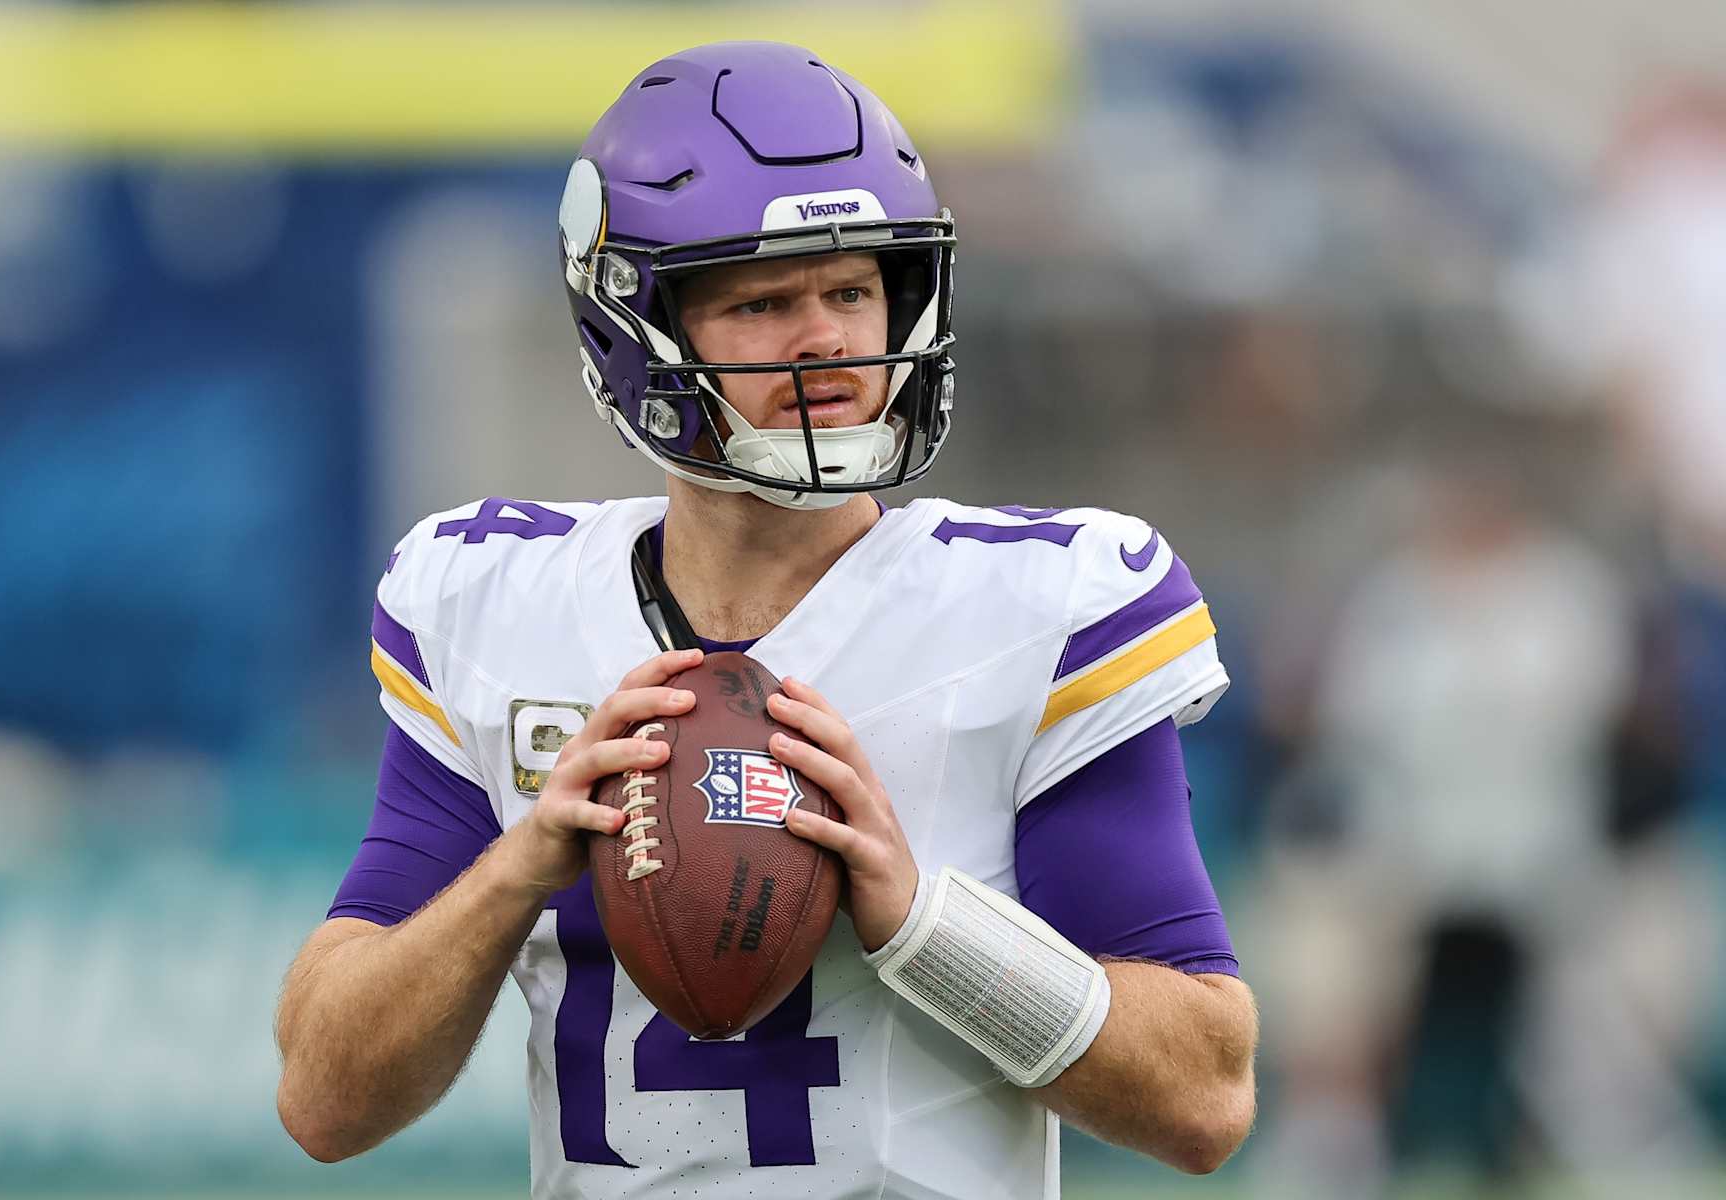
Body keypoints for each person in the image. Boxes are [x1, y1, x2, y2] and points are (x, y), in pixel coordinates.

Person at [274, 41, 1257, 1200]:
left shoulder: (1042, 610)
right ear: (630, 327)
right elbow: (325, 1098)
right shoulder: (494, 603)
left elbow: (1205, 1098)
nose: (829, 341)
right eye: (762, 301)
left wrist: (919, 923)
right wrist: (518, 867)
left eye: (852, 289)